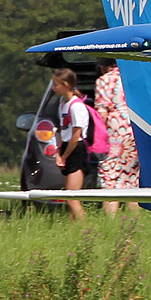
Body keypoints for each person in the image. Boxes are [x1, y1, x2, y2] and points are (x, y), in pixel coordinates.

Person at [93, 58, 140, 215]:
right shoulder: (132, 78)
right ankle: (135, 222)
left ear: (102, 66)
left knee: (110, 177)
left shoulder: (103, 80)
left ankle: (111, 220)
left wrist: (99, 135)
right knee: (131, 179)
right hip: (133, 133)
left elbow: (102, 112)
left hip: (114, 136)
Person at [50, 68, 90, 221]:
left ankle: (86, 230)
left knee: (73, 197)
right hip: (66, 148)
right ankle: (75, 229)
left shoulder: (76, 106)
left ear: (66, 85)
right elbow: (63, 132)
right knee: (68, 196)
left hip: (76, 149)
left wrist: (65, 157)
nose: (53, 88)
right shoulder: (63, 105)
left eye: (56, 85)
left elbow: (76, 136)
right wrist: (59, 153)